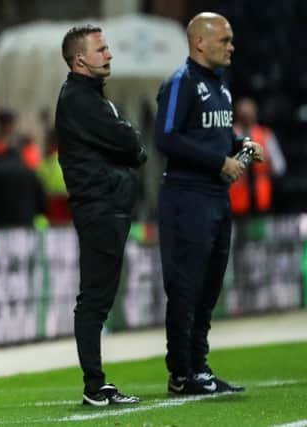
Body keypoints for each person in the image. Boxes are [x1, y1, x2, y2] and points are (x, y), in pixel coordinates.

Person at [155, 12, 263, 396]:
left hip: (216, 199)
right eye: (224, 39)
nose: (231, 46)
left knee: (208, 287)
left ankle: (198, 365)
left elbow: (216, 133)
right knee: (186, 286)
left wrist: (241, 144)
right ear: (199, 42)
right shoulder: (180, 84)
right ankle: (181, 372)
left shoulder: (221, 86)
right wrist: (220, 162)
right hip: (187, 198)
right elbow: (165, 138)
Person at [55, 25, 146, 406]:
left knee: (97, 297)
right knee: (94, 299)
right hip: (100, 207)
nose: (109, 54)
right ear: (80, 60)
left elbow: (129, 144)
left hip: (106, 206)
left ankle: (96, 382)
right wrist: (130, 150)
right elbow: (131, 144)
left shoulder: (89, 96)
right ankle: (94, 385)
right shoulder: (81, 100)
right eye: (101, 49)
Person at [230, 97, 286, 215]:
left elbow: (280, 167)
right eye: (243, 113)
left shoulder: (265, 135)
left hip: (262, 203)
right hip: (236, 205)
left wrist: (266, 161)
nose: (246, 116)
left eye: (249, 113)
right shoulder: (229, 136)